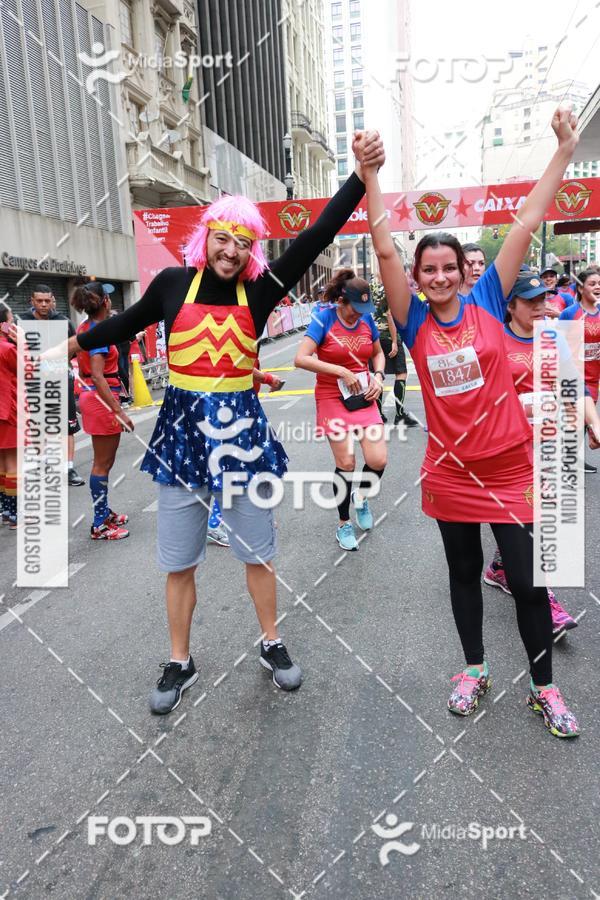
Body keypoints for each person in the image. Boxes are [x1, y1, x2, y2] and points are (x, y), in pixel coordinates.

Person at [66, 133, 385, 713]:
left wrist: (360, 178)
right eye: (222, 237)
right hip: (181, 440)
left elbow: (317, 235)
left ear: (253, 251)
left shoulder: (261, 292)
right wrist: (70, 343)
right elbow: (124, 324)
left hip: (242, 441)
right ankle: (180, 660)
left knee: (257, 553)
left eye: (243, 242)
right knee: (179, 560)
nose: (231, 250)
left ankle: (272, 641)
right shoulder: (168, 285)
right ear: (204, 239)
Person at [360, 108, 582, 738]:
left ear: (463, 271)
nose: (436, 277)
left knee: (528, 582)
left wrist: (563, 152)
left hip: (509, 466)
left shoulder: (488, 300)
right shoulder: (413, 320)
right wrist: (369, 174)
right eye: (425, 270)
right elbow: (382, 245)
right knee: (462, 575)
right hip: (450, 471)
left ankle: (543, 687)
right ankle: (475, 669)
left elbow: (528, 219)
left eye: (446, 268)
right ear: (418, 277)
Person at [482, 273, 600, 631]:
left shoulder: (552, 337)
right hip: (507, 447)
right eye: (531, 301)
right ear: (510, 306)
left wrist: (593, 421)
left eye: (543, 299)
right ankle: (545, 599)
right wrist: (519, 407)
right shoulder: (494, 341)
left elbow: (574, 383)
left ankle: (502, 568)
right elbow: (481, 399)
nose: (541, 307)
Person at [294, 269, 387, 551]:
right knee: (346, 462)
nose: (358, 315)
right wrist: (339, 370)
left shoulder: (367, 319)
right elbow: (300, 358)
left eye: (363, 310)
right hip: (332, 395)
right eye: (354, 309)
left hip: (362, 394)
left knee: (378, 459)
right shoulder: (324, 318)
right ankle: (344, 523)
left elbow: (377, 353)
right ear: (341, 301)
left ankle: (361, 497)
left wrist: (380, 377)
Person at [72, 283, 134, 540]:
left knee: (104, 462)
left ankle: (104, 512)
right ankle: (100, 523)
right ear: (106, 301)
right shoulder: (98, 333)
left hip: (95, 397)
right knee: (102, 463)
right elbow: (98, 376)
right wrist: (118, 411)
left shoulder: (84, 328)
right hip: (101, 398)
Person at [19, 285, 85, 486]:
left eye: (47, 300)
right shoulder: (22, 321)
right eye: (39, 301)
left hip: (61, 379)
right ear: (32, 301)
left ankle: (68, 468)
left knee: (67, 427)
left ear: (53, 299)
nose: (44, 304)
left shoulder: (63, 321)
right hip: (33, 382)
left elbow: (76, 347)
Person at [559, 267, 600, 473]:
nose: (598, 287)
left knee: (585, 422)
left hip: (594, 379)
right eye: (593, 284)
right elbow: (556, 344)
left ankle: (573, 459)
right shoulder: (569, 313)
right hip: (573, 377)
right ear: (581, 288)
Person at [371, 279, 418, 428]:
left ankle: (378, 414)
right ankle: (399, 415)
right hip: (389, 336)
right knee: (401, 374)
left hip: (376, 336)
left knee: (379, 374)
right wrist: (393, 341)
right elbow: (390, 315)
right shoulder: (391, 288)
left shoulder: (373, 288)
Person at [0, 308, 18, 528]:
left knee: (3, 463)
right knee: (13, 463)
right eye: (11, 320)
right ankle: (15, 514)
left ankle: (6, 509)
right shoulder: (8, 348)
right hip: (9, 410)